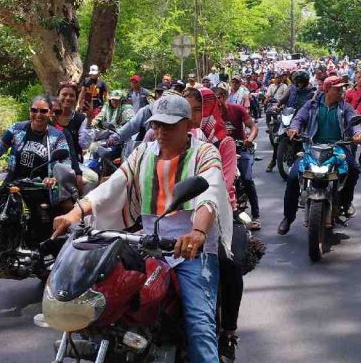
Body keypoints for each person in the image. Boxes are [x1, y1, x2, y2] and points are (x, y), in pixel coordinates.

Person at [52, 94, 231, 363]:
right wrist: (73, 214)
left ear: (187, 124)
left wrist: (197, 233)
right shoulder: (143, 153)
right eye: (157, 125)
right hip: (147, 244)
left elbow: (210, 194)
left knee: (199, 326)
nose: (161, 132)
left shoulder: (205, 153)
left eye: (169, 126)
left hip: (192, 250)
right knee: (105, 299)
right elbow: (112, 187)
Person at [0, 96, 71, 232]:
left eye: (43, 111)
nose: (38, 114)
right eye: (34, 110)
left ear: (50, 113)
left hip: (39, 189)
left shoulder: (57, 136)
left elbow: (66, 163)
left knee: (40, 229)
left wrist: (54, 178)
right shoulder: (17, 129)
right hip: (12, 186)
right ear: (29, 111)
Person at [278, 76, 361, 235]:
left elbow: (354, 121)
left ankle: (345, 203)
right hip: (312, 147)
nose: (341, 91)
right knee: (293, 176)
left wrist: (357, 133)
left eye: (342, 88)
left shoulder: (345, 107)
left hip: (338, 148)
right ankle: (288, 217)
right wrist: (294, 129)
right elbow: (298, 119)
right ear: (327, 89)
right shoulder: (311, 105)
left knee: (353, 169)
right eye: (337, 89)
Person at [214, 84, 261, 229]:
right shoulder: (211, 115)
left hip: (241, 149)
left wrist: (249, 140)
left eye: (217, 99)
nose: (215, 104)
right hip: (220, 151)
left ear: (223, 97)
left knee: (247, 179)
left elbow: (253, 127)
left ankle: (256, 215)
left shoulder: (237, 109)